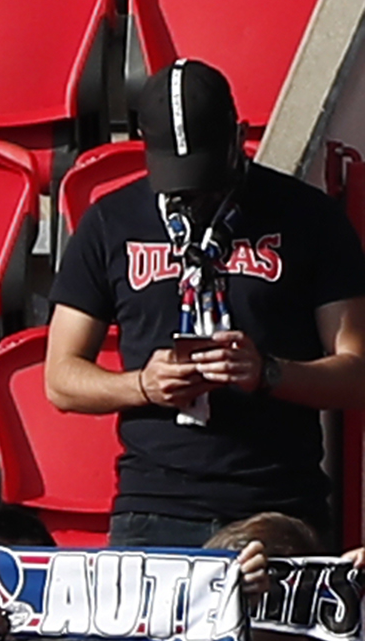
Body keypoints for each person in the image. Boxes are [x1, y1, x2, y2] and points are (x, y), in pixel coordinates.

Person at [42, 57, 365, 546]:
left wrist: (268, 373)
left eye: (208, 173)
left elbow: (357, 374)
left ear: (239, 137)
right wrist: (143, 385)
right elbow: (61, 380)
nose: (195, 193)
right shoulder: (111, 222)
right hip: (154, 507)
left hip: (276, 506)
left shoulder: (309, 218)